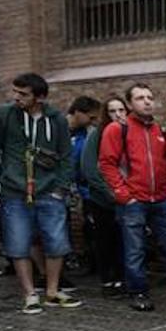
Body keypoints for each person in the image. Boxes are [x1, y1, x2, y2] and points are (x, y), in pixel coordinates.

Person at [0, 73, 82, 314]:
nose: (16, 97)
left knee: (56, 242)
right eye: (15, 92)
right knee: (18, 243)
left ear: (40, 97)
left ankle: (53, 291)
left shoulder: (56, 119)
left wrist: (61, 188)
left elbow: (66, 156)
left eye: (23, 94)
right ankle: (29, 294)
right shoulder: (1, 115)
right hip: (13, 191)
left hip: (49, 191)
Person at [98, 82, 166, 312]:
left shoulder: (162, 131)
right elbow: (107, 164)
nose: (146, 101)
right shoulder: (118, 130)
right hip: (134, 201)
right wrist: (124, 195)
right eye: (139, 98)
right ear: (129, 104)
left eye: (149, 97)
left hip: (162, 200)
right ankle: (138, 292)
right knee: (135, 249)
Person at [81, 96, 127, 295]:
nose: (118, 115)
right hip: (102, 200)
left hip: (127, 199)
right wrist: (111, 194)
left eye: (121, 110)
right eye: (112, 111)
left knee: (124, 241)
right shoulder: (97, 136)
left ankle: (124, 278)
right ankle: (108, 281)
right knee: (105, 242)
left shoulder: (130, 132)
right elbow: (89, 170)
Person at [66, 96, 100, 275]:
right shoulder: (61, 130)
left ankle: (94, 263)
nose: (94, 122)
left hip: (86, 191)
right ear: (79, 113)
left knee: (90, 227)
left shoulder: (85, 133)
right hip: (66, 187)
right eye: (91, 117)